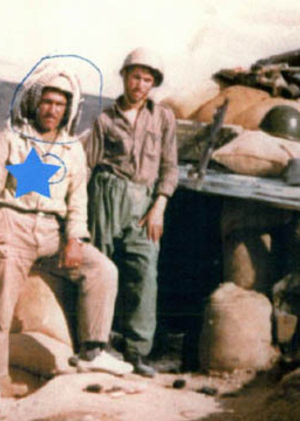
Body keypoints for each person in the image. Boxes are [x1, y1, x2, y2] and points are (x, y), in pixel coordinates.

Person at [0, 63, 133, 411]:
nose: (52, 110)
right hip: (12, 227)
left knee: (103, 270)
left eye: (60, 104)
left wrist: (74, 240)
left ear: (68, 109)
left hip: (52, 232)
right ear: (35, 102)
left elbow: (78, 201)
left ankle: (93, 350)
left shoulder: (72, 149)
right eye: (47, 102)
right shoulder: (11, 139)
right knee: (0, 307)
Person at [83, 48, 178, 377]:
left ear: (154, 84)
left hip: (144, 202)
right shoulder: (105, 119)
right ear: (124, 76)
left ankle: (138, 351)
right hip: (106, 197)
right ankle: (98, 343)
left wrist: (159, 206)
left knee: (144, 271)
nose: (140, 85)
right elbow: (87, 165)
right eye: (135, 77)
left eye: (147, 80)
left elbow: (170, 167)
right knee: (101, 267)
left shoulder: (163, 118)